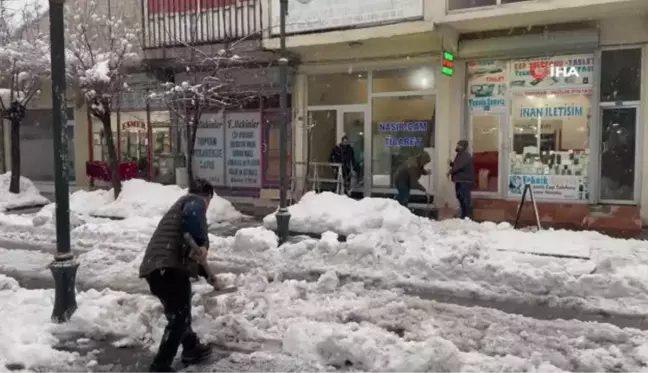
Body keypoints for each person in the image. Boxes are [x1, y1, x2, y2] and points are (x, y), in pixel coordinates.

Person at [139, 179, 216, 373]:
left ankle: (191, 348)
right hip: (167, 268)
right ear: (207, 197)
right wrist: (201, 242)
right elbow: (191, 222)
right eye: (209, 201)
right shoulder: (194, 203)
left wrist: (208, 275)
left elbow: (190, 251)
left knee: (179, 312)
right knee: (178, 317)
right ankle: (160, 366)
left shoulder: (181, 206)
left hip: (158, 269)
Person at [447, 140, 474, 219]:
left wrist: (450, 171)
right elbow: (458, 165)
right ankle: (464, 214)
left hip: (465, 180)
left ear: (462, 147)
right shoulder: (460, 154)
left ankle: (467, 215)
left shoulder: (465, 155)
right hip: (460, 180)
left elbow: (459, 167)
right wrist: (452, 164)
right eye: (457, 144)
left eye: (458, 145)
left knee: (464, 197)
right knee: (460, 196)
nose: (457, 146)